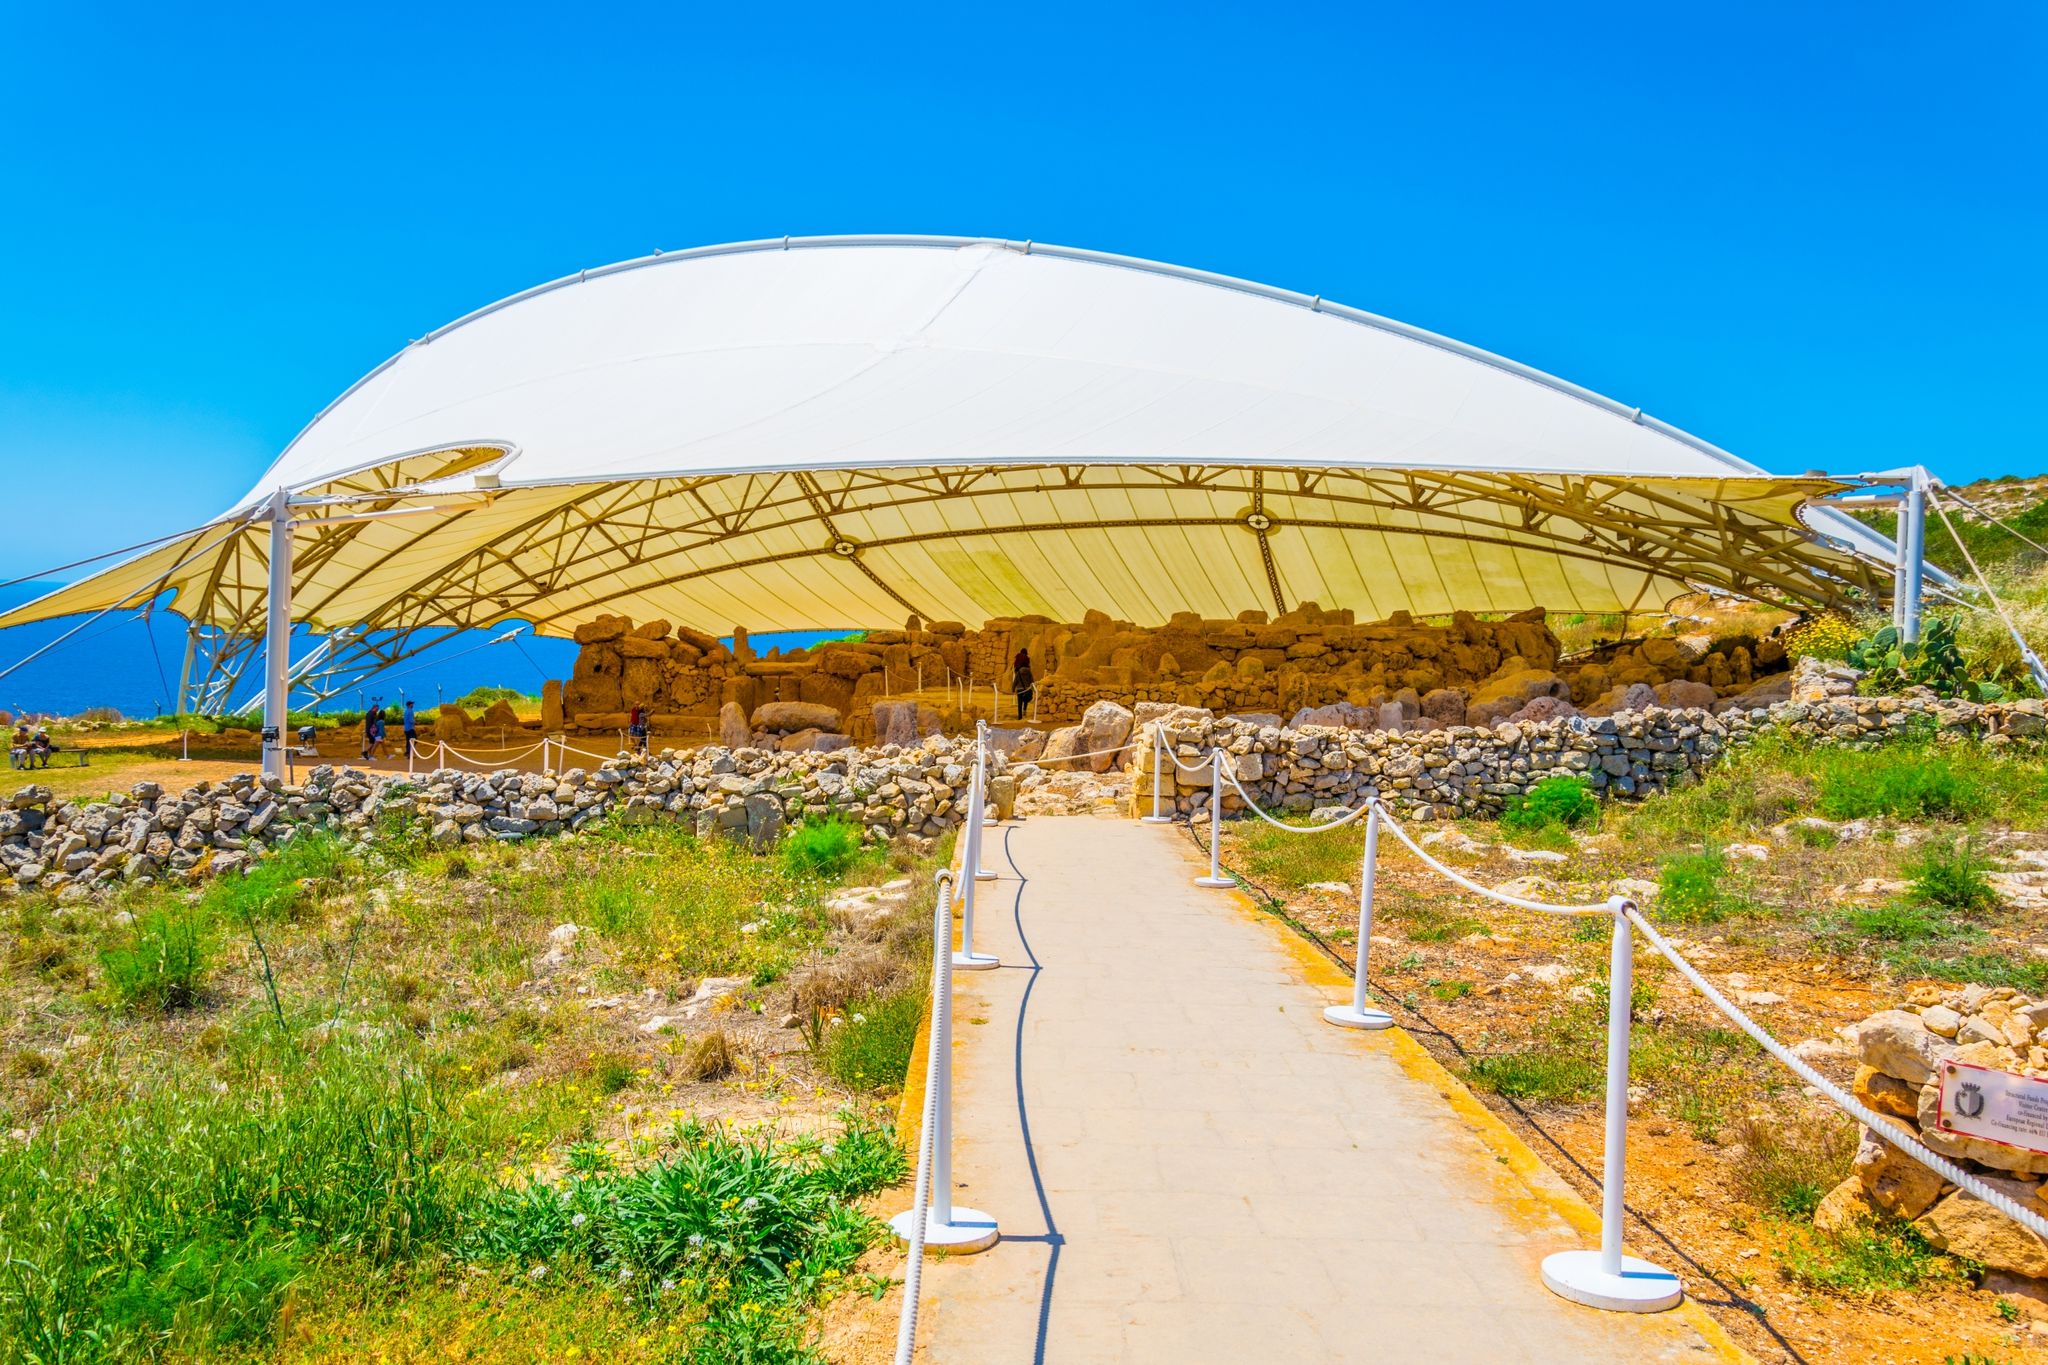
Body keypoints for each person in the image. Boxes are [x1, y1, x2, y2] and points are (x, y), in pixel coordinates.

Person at [1011, 647, 1035, 720]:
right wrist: (1033, 688)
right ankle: (1024, 710)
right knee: (1025, 699)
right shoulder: (1029, 671)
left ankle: (1020, 716)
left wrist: (1013, 688)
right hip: (1027, 688)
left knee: (1019, 702)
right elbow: (1032, 680)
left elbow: (1015, 681)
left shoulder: (1018, 671)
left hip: (1019, 688)